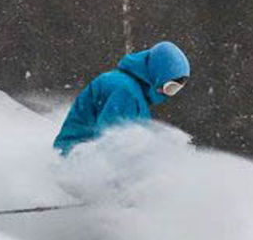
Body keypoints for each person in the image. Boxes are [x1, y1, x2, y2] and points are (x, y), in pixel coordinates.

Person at [53, 41, 190, 155]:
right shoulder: (126, 92)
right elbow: (111, 146)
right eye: (170, 87)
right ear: (157, 74)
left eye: (175, 90)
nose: (166, 94)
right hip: (77, 161)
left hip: (76, 157)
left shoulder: (133, 92)